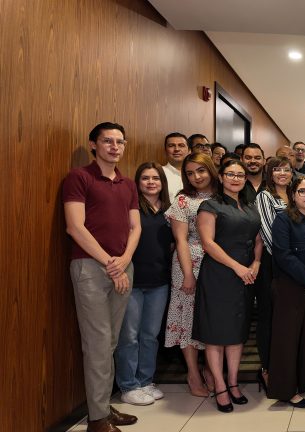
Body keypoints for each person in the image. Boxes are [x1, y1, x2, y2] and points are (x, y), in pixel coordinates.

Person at [63, 122, 141, 432]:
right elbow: (75, 227)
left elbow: (136, 227)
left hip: (122, 267)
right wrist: (111, 263)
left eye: (120, 141)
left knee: (109, 342)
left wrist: (124, 261)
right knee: (97, 343)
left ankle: (103, 407)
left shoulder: (128, 183)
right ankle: (97, 419)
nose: (114, 146)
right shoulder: (79, 177)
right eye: (107, 141)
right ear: (93, 145)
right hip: (91, 268)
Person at [195, 160, 263, 413]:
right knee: (216, 333)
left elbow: (258, 239)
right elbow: (208, 243)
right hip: (219, 274)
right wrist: (238, 267)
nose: (236, 178)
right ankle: (220, 386)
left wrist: (256, 262)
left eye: (240, 175)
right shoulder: (210, 205)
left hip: (246, 276)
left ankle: (233, 382)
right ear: (221, 177)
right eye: (230, 174)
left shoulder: (250, 207)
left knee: (237, 331)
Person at [114, 162, 172, 406]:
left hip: (160, 282)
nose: (151, 182)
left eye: (155, 178)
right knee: (129, 336)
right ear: (137, 183)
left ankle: (146, 381)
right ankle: (128, 385)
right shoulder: (132, 208)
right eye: (145, 178)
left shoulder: (169, 210)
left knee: (150, 335)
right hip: (133, 280)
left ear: (162, 182)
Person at [269, 176, 305, 408]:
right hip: (290, 286)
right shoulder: (283, 219)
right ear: (293, 195)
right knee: (287, 339)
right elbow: (283, 255)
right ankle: (287, 390)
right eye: (302, 191)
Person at [164, 153, 218, 397]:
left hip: (217, 264)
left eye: (201, 170)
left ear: (211, 170)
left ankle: (210, 368)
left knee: (211, 318)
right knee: (187, 320)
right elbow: (181, 240)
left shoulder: (223, 196)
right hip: (189, 263)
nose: (196, 176)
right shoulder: (183, 200)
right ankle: (193, 373)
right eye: (190, 173)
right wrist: (188, 274)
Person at [252, 156, 292, 390]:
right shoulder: (265, 196)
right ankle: (266, 369)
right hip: (272, 262)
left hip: (292, 264)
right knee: (268, 316)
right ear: (270, 173)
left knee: (285, 318)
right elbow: (268, 233)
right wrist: (287, 259)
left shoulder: (295, 194)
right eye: (277, 169)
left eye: (286, 169)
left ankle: (284, 368)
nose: (282, 173)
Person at [162, 132, 190, 197]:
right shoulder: (159, 173)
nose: (177, 149)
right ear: (165, 150)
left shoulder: (196, 174)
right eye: (171, 146)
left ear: (189, 150)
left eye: (181, 145)